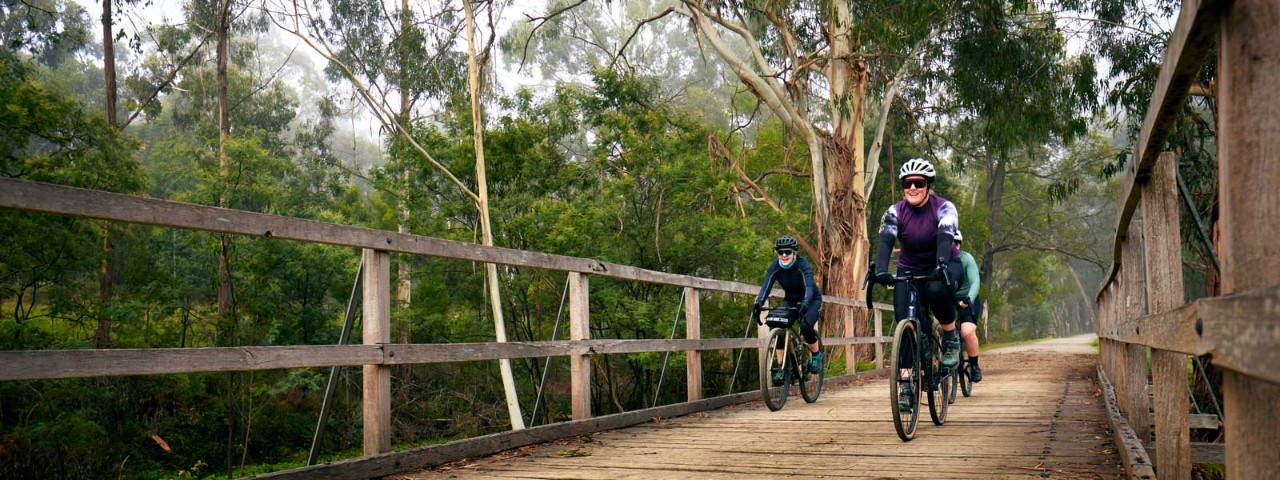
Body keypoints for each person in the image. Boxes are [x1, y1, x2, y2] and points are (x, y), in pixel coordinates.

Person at [873, 158, 963, 411]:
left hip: (943, 264)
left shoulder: (944, 208)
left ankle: (950, 336)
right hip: (909, 270)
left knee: (936, 289)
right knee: (904, 321)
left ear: (927, 185)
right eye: (907, 184)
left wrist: (942, 262)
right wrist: (881, 270)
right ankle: (905, 386)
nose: (912, 188)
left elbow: (945, 236)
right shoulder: (895, 211)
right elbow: (885, 241)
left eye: (918, 183)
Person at [752, 235, 824, 386]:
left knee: (805, 326)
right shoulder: (775, 267)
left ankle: (816, 355)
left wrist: (805, 301)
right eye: (780, 252)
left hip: (811, 300)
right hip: (790, 300)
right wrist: (759, 303)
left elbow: (810, 286)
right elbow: (766, 286)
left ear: (795, 253)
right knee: (777, 325)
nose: (784, 256)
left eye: (788, 252)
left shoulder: (802, 265)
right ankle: (781, 367)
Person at [954, 231, 983, 382]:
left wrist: (969, 299)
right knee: (936, 327)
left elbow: (975, 281)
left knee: (967, 332)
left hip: (967, 298)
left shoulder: (967, 259)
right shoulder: (939, 259)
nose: (954, 245)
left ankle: (974, 365)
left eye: (957, 243)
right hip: (948, 299)